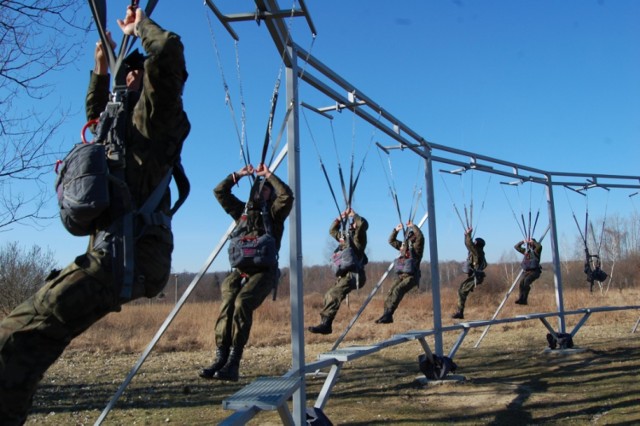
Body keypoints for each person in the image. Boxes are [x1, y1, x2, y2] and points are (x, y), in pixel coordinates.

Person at [0, 6, 190, 423]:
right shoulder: (123, 125)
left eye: (138, 72)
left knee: (20, 334)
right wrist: (101, 70)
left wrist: (139, 27)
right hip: (115, 252)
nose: (132, 76)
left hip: (133, 256)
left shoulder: (159, 120)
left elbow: (169, 51)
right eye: (128, 74)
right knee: (34, 342)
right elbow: (98, 118)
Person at [199, 164, 293, 382]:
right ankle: (221, 356)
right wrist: (238, 175)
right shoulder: (242, 212)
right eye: (260, 188)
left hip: (264, 272)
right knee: (228, 302)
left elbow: (287, 196)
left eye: (267, 189)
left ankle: (234, 362)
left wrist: (269, 175)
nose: (263, 191)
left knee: (242, 303)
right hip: (240, 271)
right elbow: (219, 192)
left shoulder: (274, 214)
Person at [308, 208, 368, 335]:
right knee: (328, 295)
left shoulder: (359, 238)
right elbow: (332, 231)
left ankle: (326, 324)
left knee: (333, 294)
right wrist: (339, 219)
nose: (352, 224)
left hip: (356, 275)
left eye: (353, 222)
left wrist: (354, 215)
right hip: (346, 276)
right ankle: (326, 323)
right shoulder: (345, 237)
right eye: (351, 222)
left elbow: (363, 224)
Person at [375, 221, 424, 324]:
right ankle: (386, 314)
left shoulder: (417, 248)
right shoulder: (403, 247)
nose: (410, 239)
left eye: (411, 237)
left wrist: (413, 226)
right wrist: (396, 230)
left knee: (398, 290)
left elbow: (420, 237)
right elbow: (391, 241)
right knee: (391, 292)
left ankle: (389, 314)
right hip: (401, 275)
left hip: (411, 277)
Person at [452, 227, 486, 320]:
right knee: (462, 290)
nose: (474, 244)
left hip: (476, 276)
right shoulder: (478, 253)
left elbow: (469, 245)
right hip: (475, 276)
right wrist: (467, 236)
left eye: (475, 243)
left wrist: (468, 235)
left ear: (478, 244)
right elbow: (468, 245)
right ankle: (460, 311)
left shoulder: (477, 252)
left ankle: (460, 312)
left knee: (462, 291)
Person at [514, 238, 543, 305]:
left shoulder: (536, 251)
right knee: (521, 283)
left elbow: (539, 246)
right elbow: (516, 247)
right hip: (527, 272)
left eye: (531, 244)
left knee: (526, 281)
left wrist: (533, 242)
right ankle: (521, 299)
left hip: (535, 272)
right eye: (529, 244)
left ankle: (524, 299)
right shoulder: (526, 252)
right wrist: (523, 242)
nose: (530, 245)